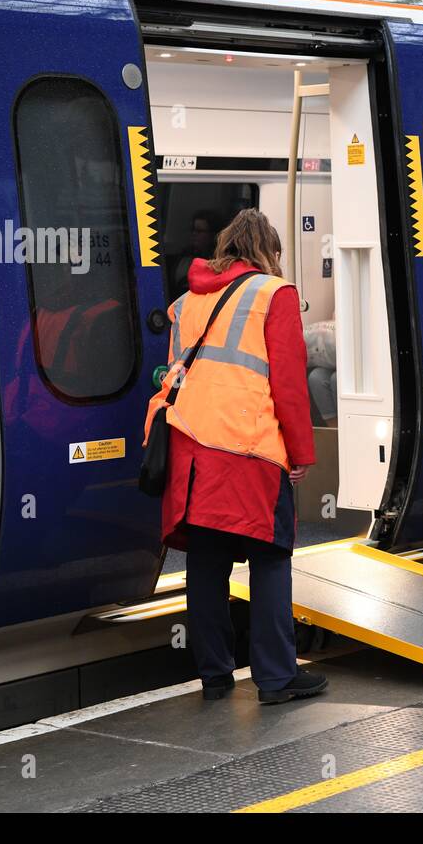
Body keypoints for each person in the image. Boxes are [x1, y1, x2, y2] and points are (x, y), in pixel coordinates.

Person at [144, 208, 326, 704]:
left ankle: (216, 676)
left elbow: (175, 372)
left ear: (225, 247)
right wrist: (300, 452)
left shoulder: (186, 301)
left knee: (206, 563)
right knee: (270, 557)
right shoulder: (274, 294)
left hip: (190, 449)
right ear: (269, 251)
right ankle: (275, 677)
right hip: (249, 448)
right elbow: (288, 384)